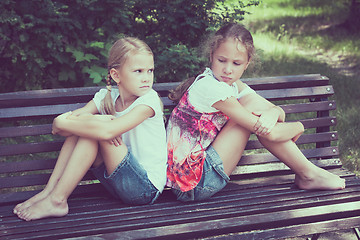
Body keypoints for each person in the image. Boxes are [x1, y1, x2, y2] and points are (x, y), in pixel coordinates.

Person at [166, 23, 345, 202]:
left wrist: (275, 112)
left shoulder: (231, 85)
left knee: (253, 107)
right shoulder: (211, 87)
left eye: (236, 63)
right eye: (222, 60)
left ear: (247, 64)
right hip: (194, 184)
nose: (228, 69)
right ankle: (308, 174)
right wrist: (299, 127)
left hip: (193, 177)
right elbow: (268, 131)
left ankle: (307, 174)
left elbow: (271, 112)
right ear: (211, 56)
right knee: (252, 112)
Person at [13, 37, 167, 221]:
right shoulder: (106, 97)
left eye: (150, 70)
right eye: (138, 71)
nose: (146, 77)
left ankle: (57, 200)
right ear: (116, 75)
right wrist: (68, 123)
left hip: (144, 188)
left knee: (90, 133)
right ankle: (50, 192)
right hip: (116, 182)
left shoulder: (148, 101)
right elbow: (70, 126)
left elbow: (106, 132)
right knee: (84, 130)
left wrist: (63, 122)